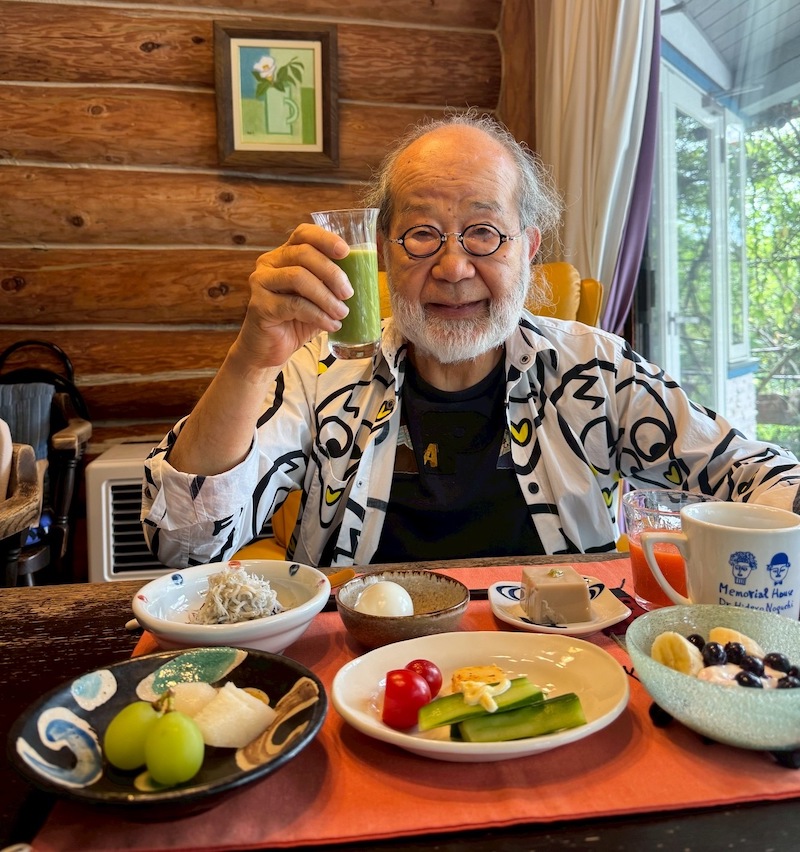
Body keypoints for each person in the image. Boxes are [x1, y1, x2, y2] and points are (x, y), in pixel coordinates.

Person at [142, 111, 800, 569]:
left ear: (528, 249)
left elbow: (758, 475)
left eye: (484, 233)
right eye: (422, 234)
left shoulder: (593, 369)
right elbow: (185, 545)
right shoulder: (318, 372)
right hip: (361, 671)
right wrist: (250, 359)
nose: (454, 267)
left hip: (569, 671)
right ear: (384, 251)